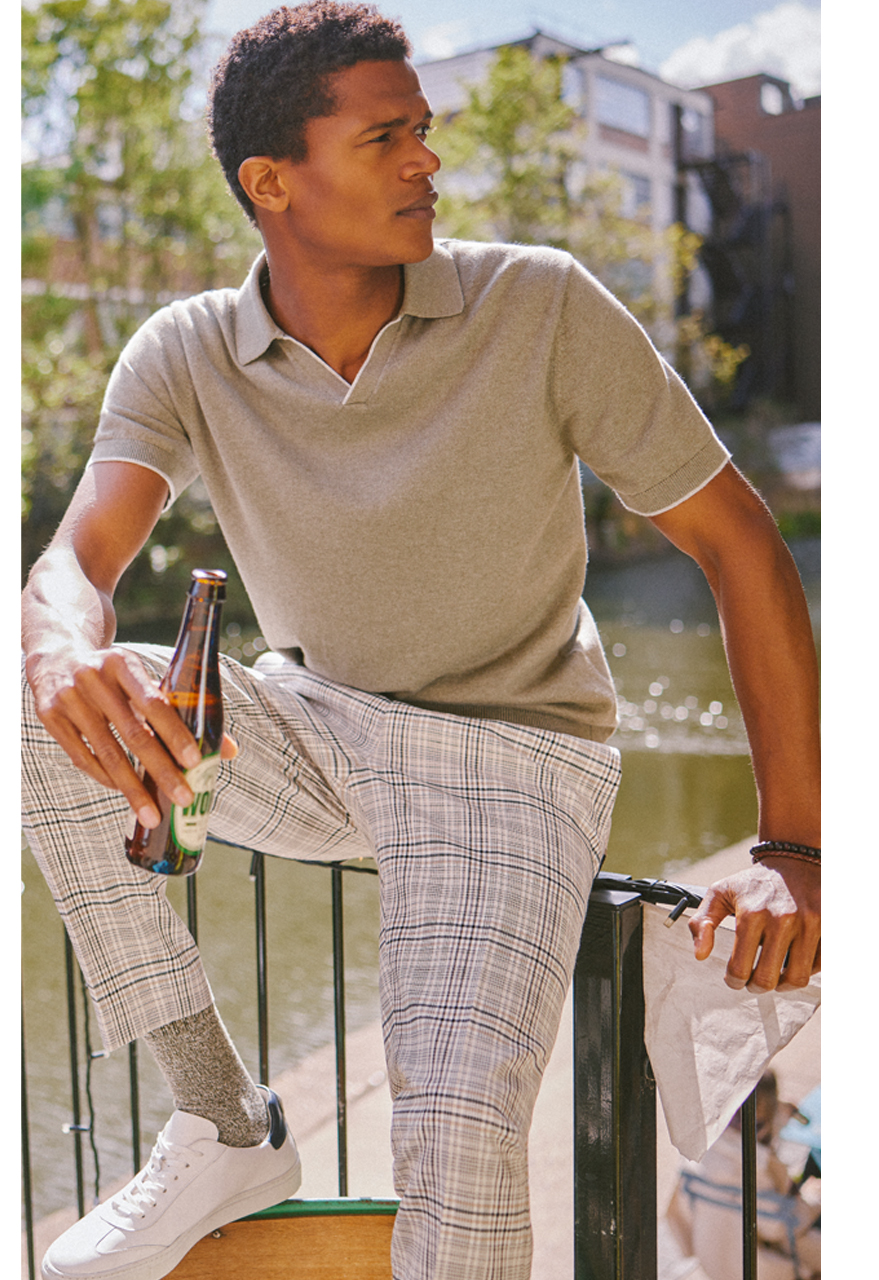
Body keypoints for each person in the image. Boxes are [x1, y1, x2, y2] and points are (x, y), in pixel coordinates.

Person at [21, 4, 820, 1279]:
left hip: (520, 762)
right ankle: (225, 1121)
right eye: (386, 136)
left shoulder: (541, 304)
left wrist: (794, 848)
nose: (426, 162)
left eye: (424, 132)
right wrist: (65, 646)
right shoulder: (181, 352)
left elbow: (742, 546)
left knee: (450, 1153)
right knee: (29, 696)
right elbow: (73, 561)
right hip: (320, 727)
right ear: (270, 182)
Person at [667, 1072, 821, 1279]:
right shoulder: (752, 1166)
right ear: (762, 1120)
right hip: (755, 1270)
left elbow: (676, 1219)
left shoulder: (697, 1158)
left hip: (713, 1266)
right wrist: (813, 1200)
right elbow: (781, 1225)